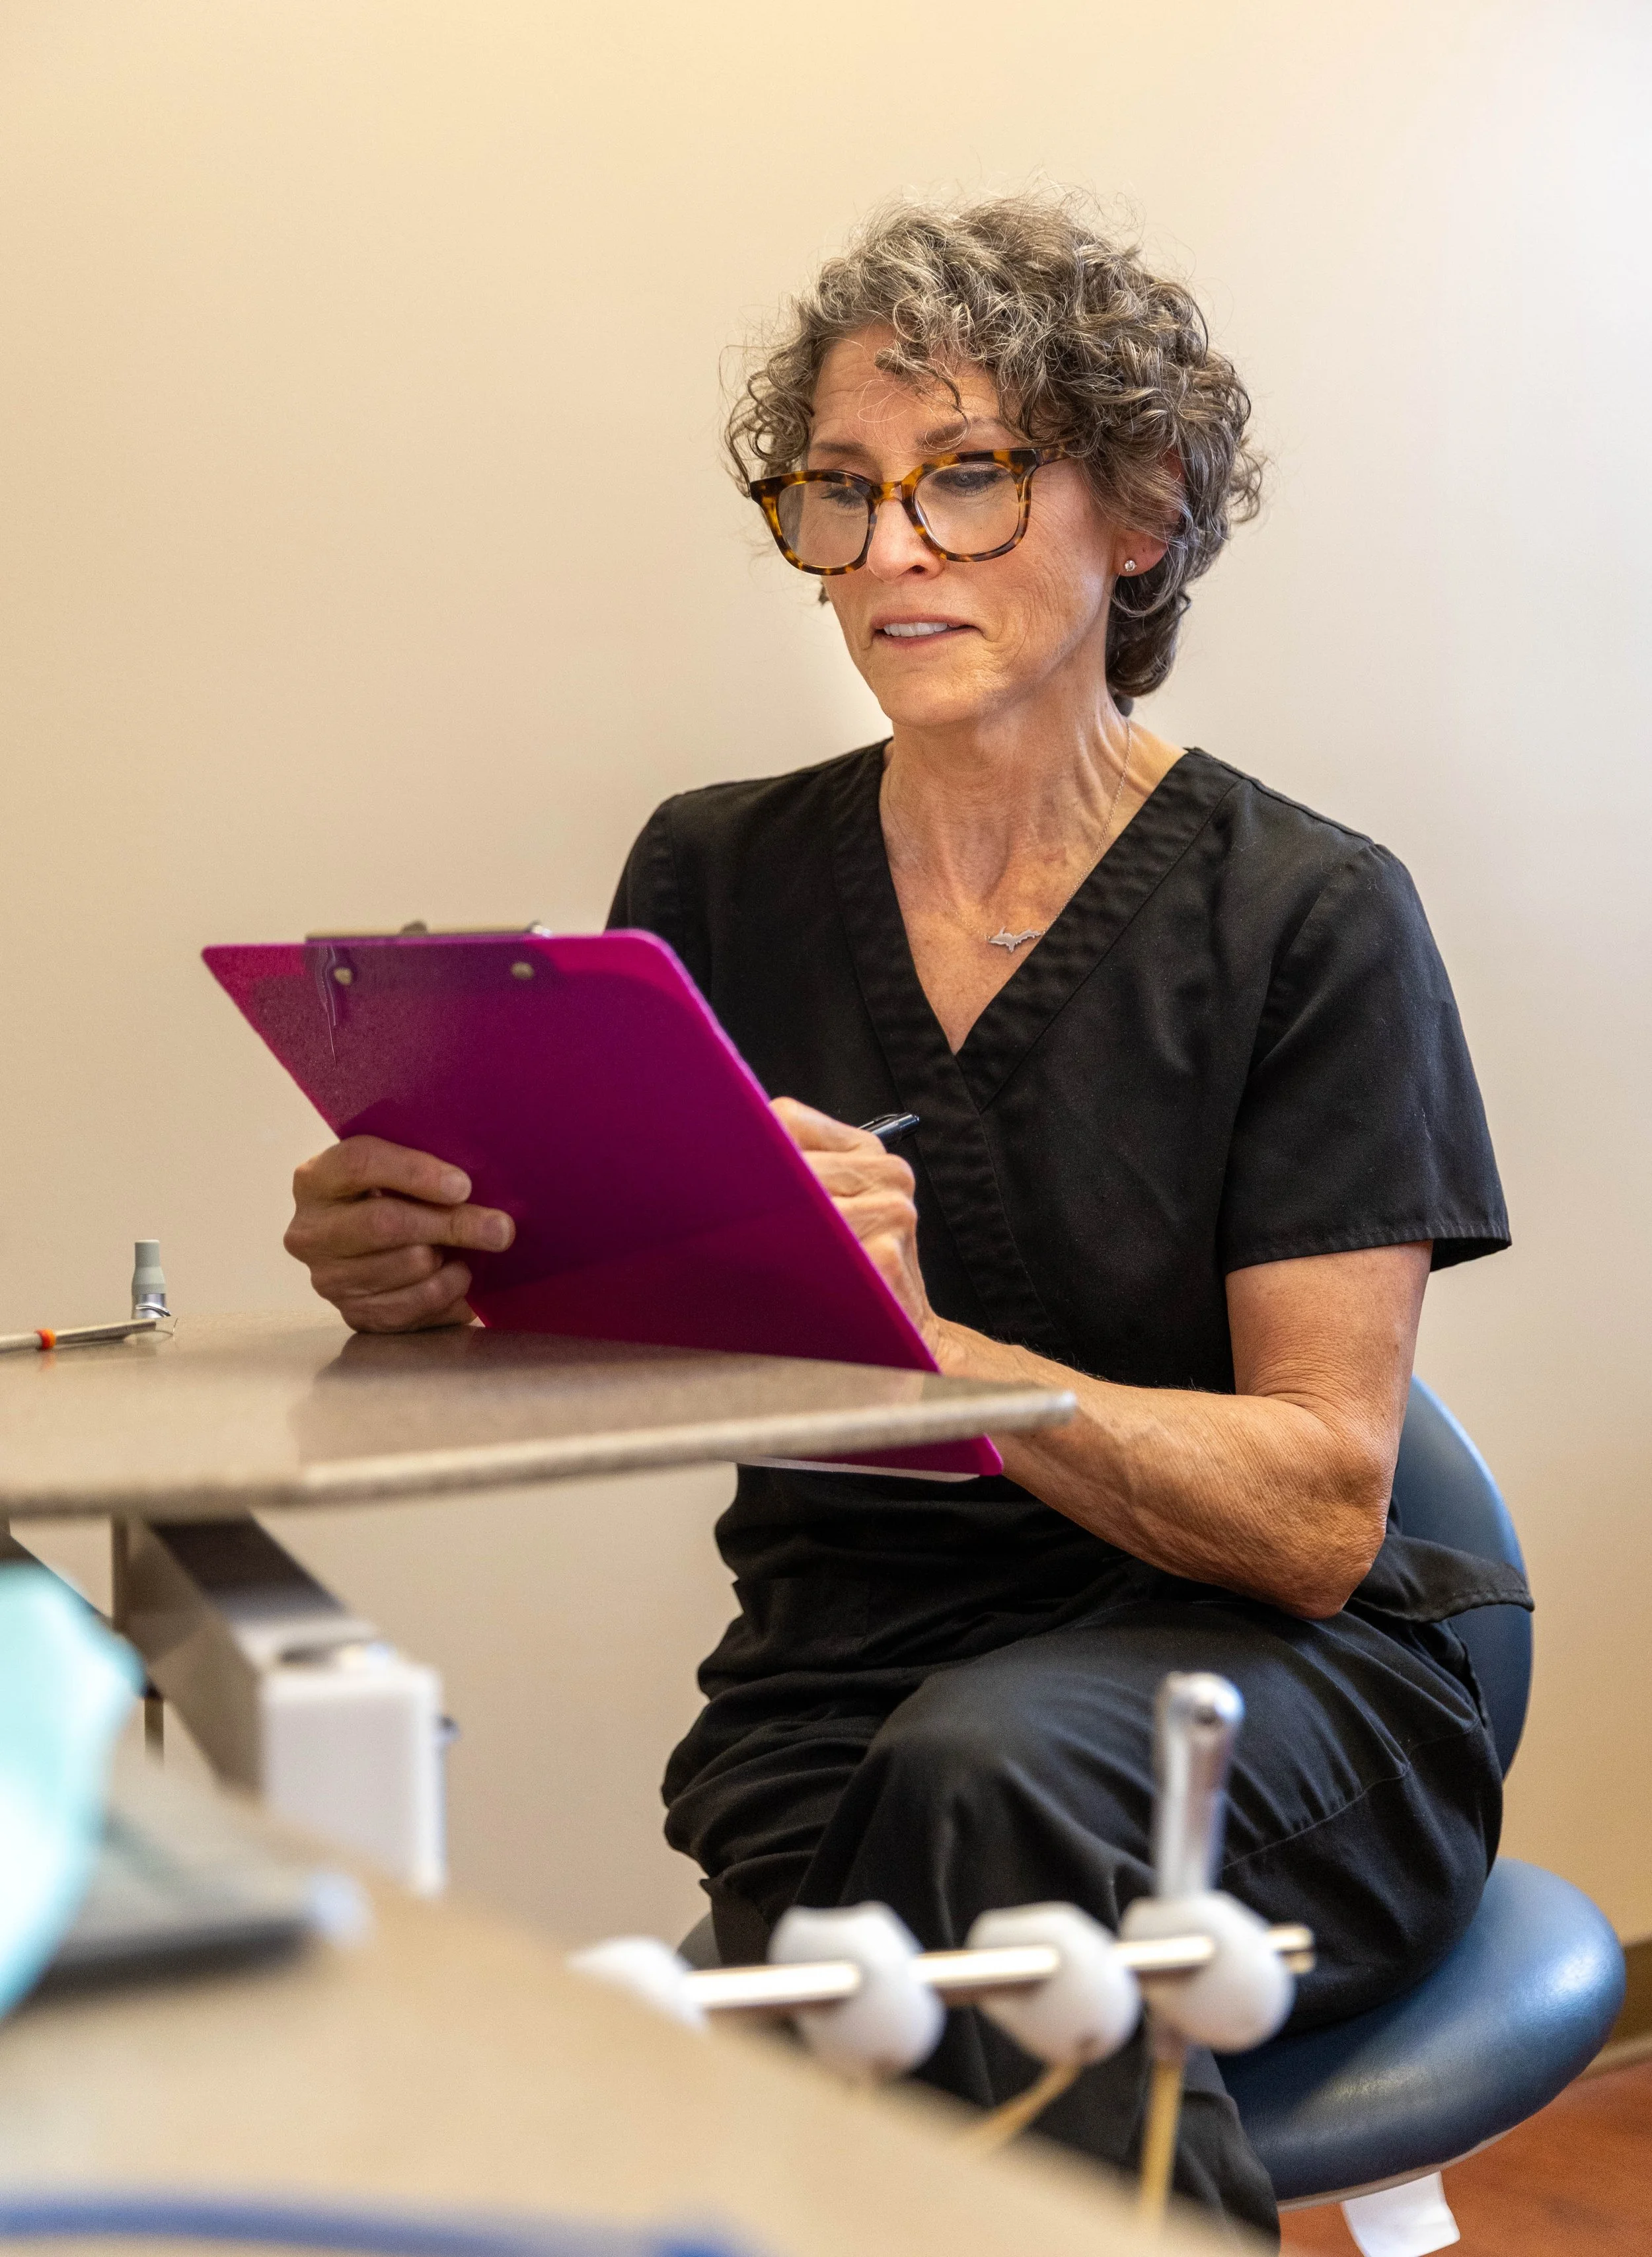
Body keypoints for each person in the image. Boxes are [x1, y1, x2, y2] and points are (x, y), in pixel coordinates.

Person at [282, 193, 1529, 2240]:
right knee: (924, 1823)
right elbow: (640, 1333)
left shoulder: (1303, 916)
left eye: (964, 482)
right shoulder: (713, 873)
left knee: (985, 1799)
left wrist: (932, 1348)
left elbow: (1316, 1513)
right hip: (835, 1685)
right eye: (838, 496)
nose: (883, 558)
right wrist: (439, 1283)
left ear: (1141, 512)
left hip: (1272, 1707)